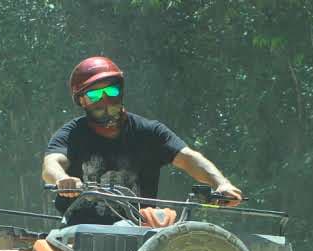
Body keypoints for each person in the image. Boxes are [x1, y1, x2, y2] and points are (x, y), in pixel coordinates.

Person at [42, 56, 243, 224]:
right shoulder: (72, 133)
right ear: (81, 101)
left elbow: (188, 158)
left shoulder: (149, 131)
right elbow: (51, 164)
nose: (104, 99)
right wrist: (61, 179)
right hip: (80, 237)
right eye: (94, 95)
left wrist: (221, 184)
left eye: (111, 91)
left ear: (121, 91)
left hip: (141, 233)